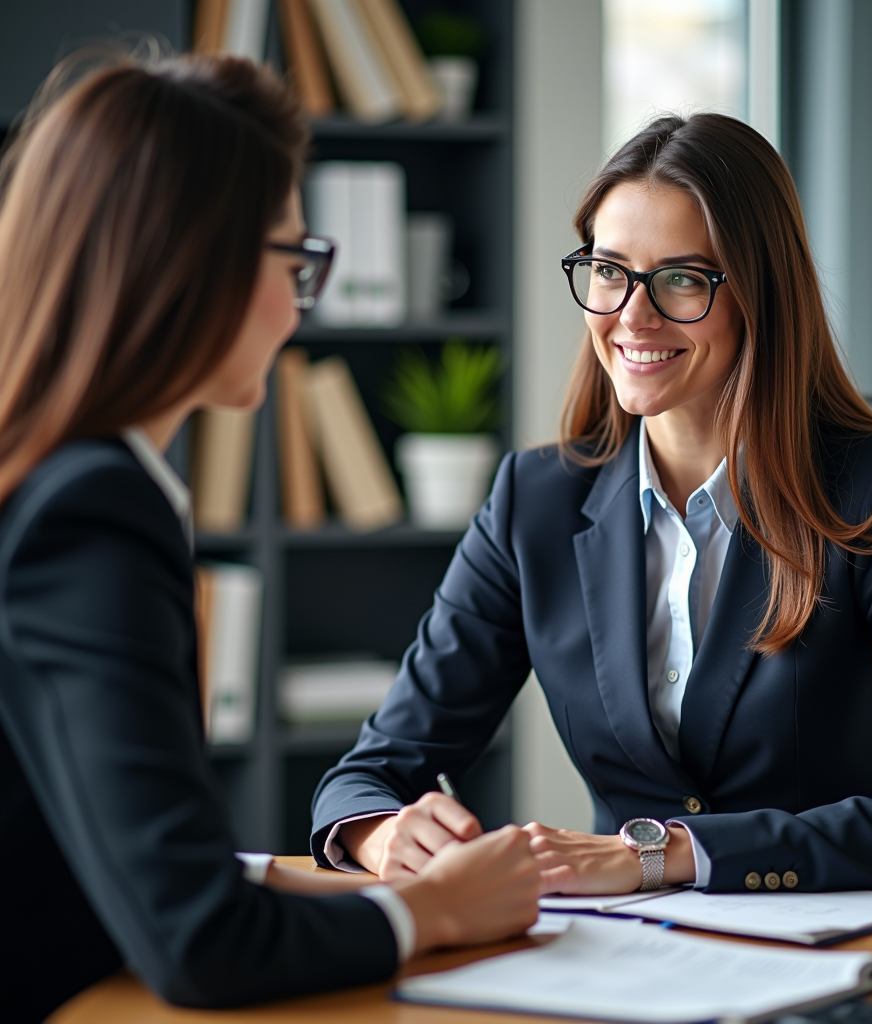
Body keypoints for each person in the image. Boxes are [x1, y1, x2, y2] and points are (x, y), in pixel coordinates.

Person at [0, 53, 540, 1024]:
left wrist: (341, 891)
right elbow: (198, 942)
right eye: (294, 260)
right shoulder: (90, 510)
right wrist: (430, 911)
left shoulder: (51, 478)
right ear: (188, 258)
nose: (303, 302)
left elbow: (109, 858)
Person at [312, 113, 872, 899]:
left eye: (683, 279)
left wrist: (662, 855)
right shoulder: (536, 503)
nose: (632, 313)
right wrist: (383, 833)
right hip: (625, 959)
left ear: (760, 294)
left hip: (833, 953)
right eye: (608, 270)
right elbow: (368, 775)